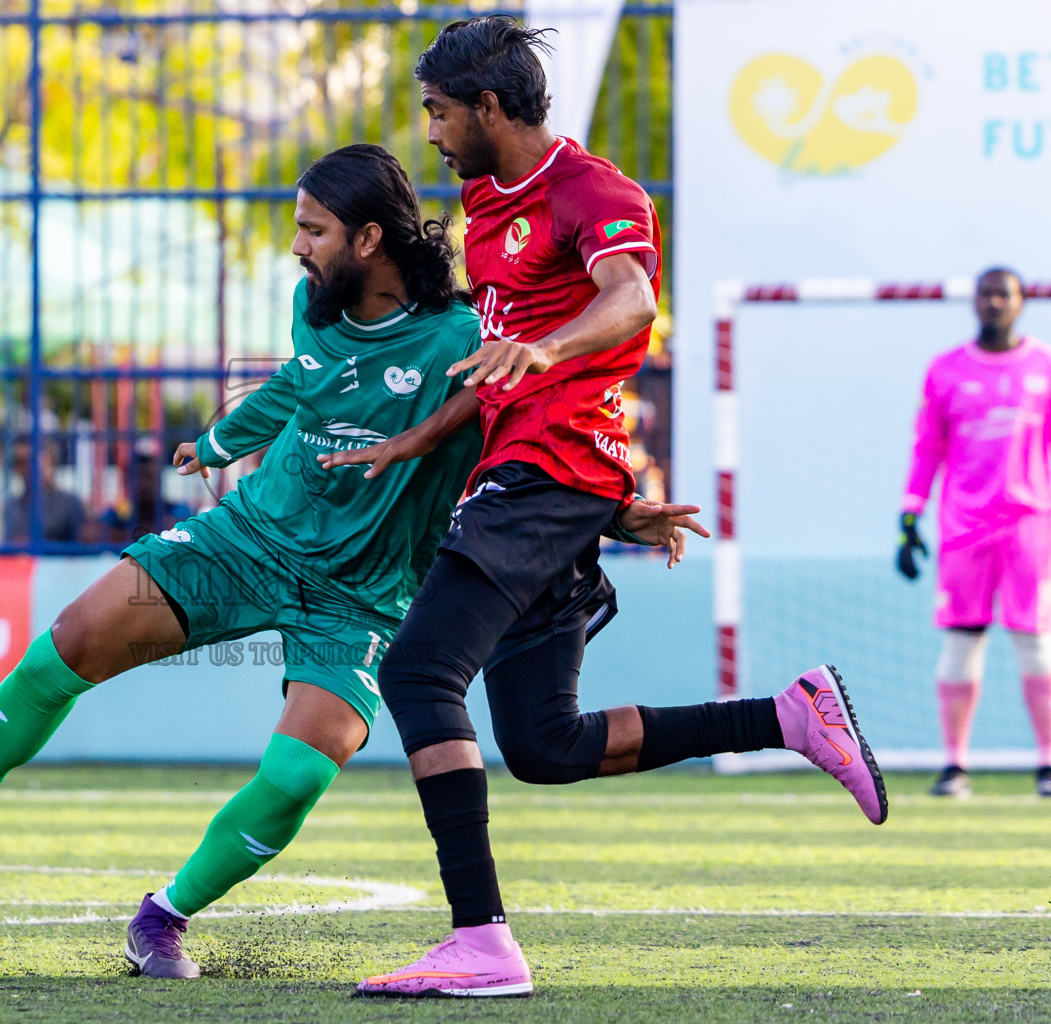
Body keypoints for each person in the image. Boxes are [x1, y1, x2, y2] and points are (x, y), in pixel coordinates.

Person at [0, 144, 703, 981]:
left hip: (363, 594)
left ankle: (163, 915)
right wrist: (221, 437)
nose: (297, 246)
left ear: (369, 239)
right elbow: (298, 381)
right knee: (73, 640)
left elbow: (517, 442)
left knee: (297, 774)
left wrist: (617, 510)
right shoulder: (311, 307)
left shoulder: (461, 339)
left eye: (313, 230)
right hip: (252, 541)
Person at [317, 19, 886, 998]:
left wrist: (549, 363)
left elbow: (628, 305)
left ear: (491, 107)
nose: (435, 132)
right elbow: (502, 359)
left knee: (418, 671)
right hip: (554, 480)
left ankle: (482, 940)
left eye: (441, 112)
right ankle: (789, 717)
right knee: (544, 742)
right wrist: (427, 440)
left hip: (548, 472)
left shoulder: (598, 194)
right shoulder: (487, 202)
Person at [897, 268, 1051, 799]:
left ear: (1020, 302)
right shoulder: (946, 371)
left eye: (1003, 294)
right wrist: (910, 513)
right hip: (964, 527)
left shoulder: (1044, 366)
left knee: (1036, 642)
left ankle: (1048, 765)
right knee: (963, 640)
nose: (994, 302)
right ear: (975, 302)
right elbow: (927, 447)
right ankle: (955, 766)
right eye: (986, 293)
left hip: (1031, 524)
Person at [4, 441, 87, 544]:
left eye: (31, 461)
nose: (25, 468)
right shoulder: (12, 506)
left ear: (50, 462)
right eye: (18, 462)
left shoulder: (70, 503)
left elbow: (81, 550)